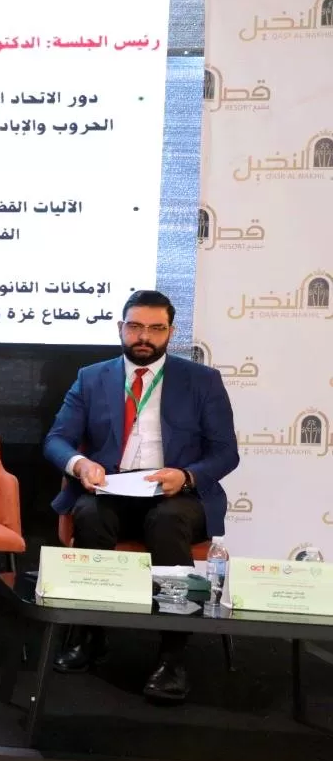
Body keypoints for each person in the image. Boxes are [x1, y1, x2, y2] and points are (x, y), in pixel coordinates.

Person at [43, 289, 239, 704]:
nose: (144, 337)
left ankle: (172, 656)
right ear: (121, 328)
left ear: (171, 332)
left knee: (167, 521)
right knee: (90, 515)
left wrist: (186, 475)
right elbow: (57, 439)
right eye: (135, 327)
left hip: (175, 494)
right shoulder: (91, 377)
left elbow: (225, 452)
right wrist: (81, 464)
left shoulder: (202, 380)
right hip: (111, 488)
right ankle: (90, 634)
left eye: (155, 328)